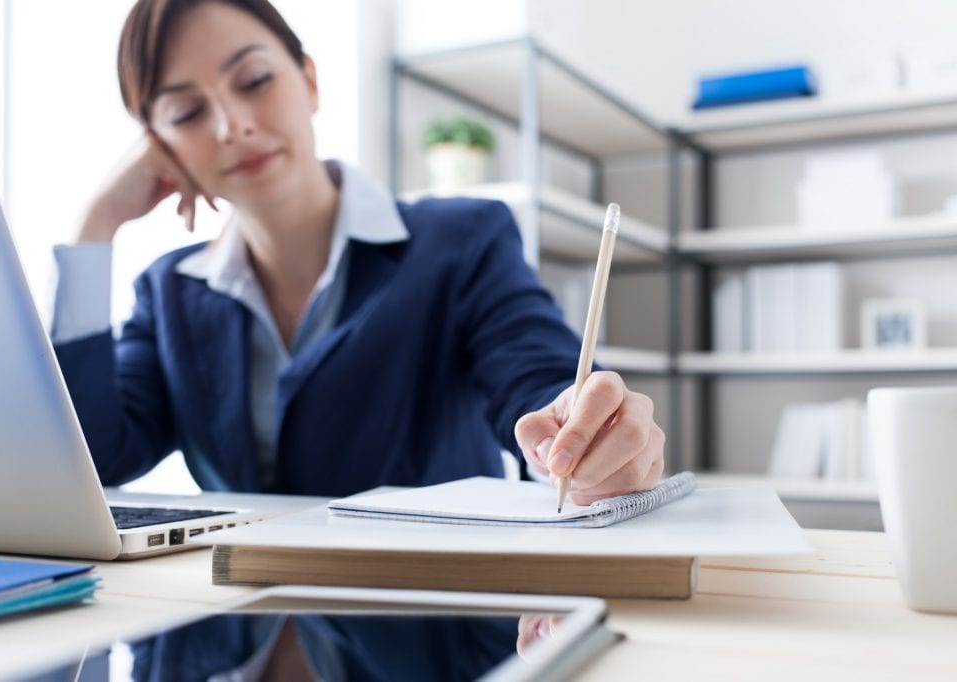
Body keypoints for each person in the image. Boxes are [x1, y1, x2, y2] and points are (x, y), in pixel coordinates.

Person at [50, 0, 666, 677]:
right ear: (158, 146)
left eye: (254, 81)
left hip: (429, 641)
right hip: (223, 632)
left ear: (309, 80)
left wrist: (588, 425)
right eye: (187, 112)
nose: (235, 126)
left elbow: (538, 375)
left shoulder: (460, 242)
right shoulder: (168, 291)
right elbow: (90, 464)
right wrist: (95, 229)